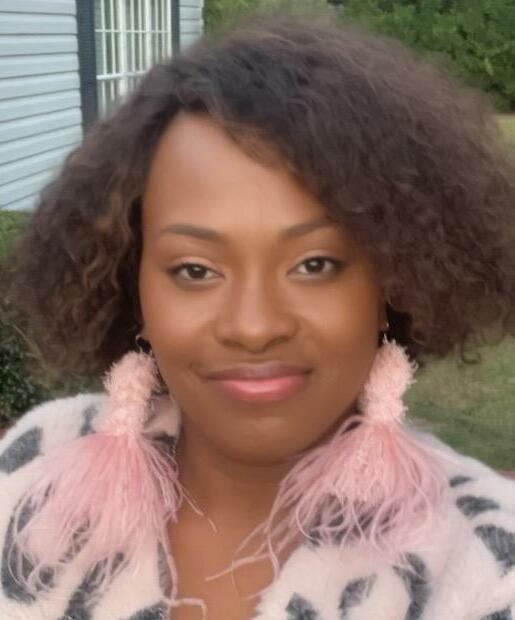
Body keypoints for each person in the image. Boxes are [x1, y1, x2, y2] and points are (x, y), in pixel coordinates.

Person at [1, 6, 515, 620]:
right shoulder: (31, 483)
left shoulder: (484, 568)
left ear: (392, 284)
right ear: (134, 292)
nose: (254, 326)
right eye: (196, 270)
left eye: (315, 264)